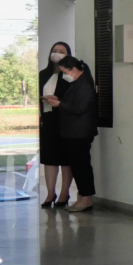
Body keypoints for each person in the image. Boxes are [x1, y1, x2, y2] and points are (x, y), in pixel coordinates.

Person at [44, 56, 98, 213]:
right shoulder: (76, 83)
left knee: (82, 166)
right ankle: (82, 197)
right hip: (73, 132)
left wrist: (59, 104)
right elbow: (73, 103)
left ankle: (86, 198)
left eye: (65, 72)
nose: (64, 75)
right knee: (77, 166)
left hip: (80, 133)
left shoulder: (84, 84)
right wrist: (58, 100)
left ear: (73, 70)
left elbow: (79, 108)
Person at [39, 41, 74, 209]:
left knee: (66, 159)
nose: (57, 53)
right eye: (55, 50)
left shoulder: (70, 74)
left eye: (62, 51)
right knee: (49, 158)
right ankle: (50, 193)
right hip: (48, 119)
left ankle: (64, 194)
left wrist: (58, 101)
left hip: (65, 119)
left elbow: (73, 98)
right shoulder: (43, 74)